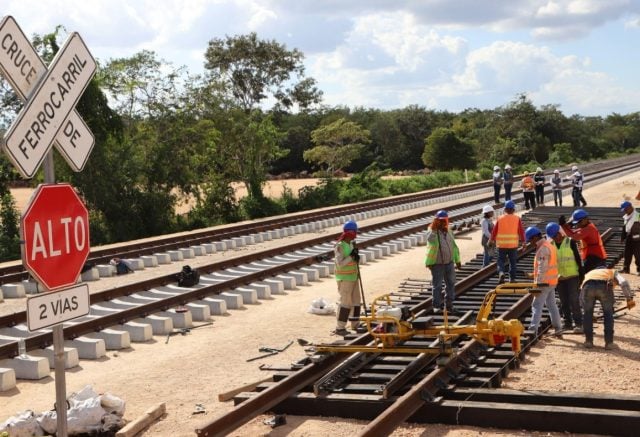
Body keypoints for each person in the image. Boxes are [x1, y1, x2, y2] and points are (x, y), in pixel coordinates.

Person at [581, 266, 635, 349]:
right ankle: (609, 343)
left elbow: (581, 296)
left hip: (587, 287)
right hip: (604, 287)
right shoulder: (611, 271)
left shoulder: (589, 274)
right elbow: (623, 282)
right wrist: (629, 298)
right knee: (608, 314)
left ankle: (588, 341)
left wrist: (588, 314)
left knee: (587, 315)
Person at [525, 226, 563, 336]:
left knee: (536, 305)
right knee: (551, 305)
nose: (530, 243)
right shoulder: (549, 245)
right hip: (551, 282)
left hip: (544, 283)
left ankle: (533, 330)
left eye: (531, 240)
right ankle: (558, 328)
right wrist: (533, 275)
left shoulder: (543, 249)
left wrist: (538, 284)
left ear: (535, 237)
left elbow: (543, 268)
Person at [546, 222, 583, 333]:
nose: (555, 238)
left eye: (556, 235)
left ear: (560, 233)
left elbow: (578, 258)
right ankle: (567, 323)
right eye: (552, 236)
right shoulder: (551, 245)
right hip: (559, 278)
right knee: (564, 301)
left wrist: (582, 275)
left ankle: (579, 324)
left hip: (572, 276)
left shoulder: (570, 241)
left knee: (574, 300)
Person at [425, 210, 461, 313]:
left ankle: (449, 306)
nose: (443, 223)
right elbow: (430, 239)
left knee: (451, 284)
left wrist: (457, 260)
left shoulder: (449, 231)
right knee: (437, 285)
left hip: (449, 263)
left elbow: (453, 247)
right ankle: (436, 306)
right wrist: (434, 228)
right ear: (436, 221)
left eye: (444, 220)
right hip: (437, 264)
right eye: (441, 221)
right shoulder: (431, 230)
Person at [333, 220, 361, 336]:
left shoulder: (351, 244)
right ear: (350, 232)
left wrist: (356, 258)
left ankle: (355, 323)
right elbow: (340, 263)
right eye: (355, 232)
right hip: (344, 278)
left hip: (353, 276)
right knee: (345, 302)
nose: (356, 235)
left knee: (356, 301)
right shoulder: (340, 246)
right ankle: (340, 327)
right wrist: (351, 256)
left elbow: (352, 260)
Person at [560, 209, 607, 273]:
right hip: (594, 256)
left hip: (595, 257)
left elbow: (573, 237)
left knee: (584, 275)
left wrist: (563, 226)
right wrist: (566, 225)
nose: (577, 224)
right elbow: (573, 233)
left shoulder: (588, 229)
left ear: (585, 219)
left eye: (578, 222)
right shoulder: (588, 226)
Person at [489, 200, 525, 284]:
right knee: (512, 262)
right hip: (513, 245)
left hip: (501, 245)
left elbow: (494, 231)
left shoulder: (500, 218)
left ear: (505, 209)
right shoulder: (517, 219)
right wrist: (523, 242)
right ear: (513, 209)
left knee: (501, 261)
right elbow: (521, 231)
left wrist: (491, 240)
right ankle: (512, 279)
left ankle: (501, 272)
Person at [620, 200, 640, 275]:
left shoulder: (638, 215)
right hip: (629, 238)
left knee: (638, 255)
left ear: (630, 207)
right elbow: (625, 227)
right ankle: (626, 269)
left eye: (625, 209)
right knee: (627, 254)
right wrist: (623, 237)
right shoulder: (626, 217)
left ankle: (639, 270)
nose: (624, 211)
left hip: (638, 239)